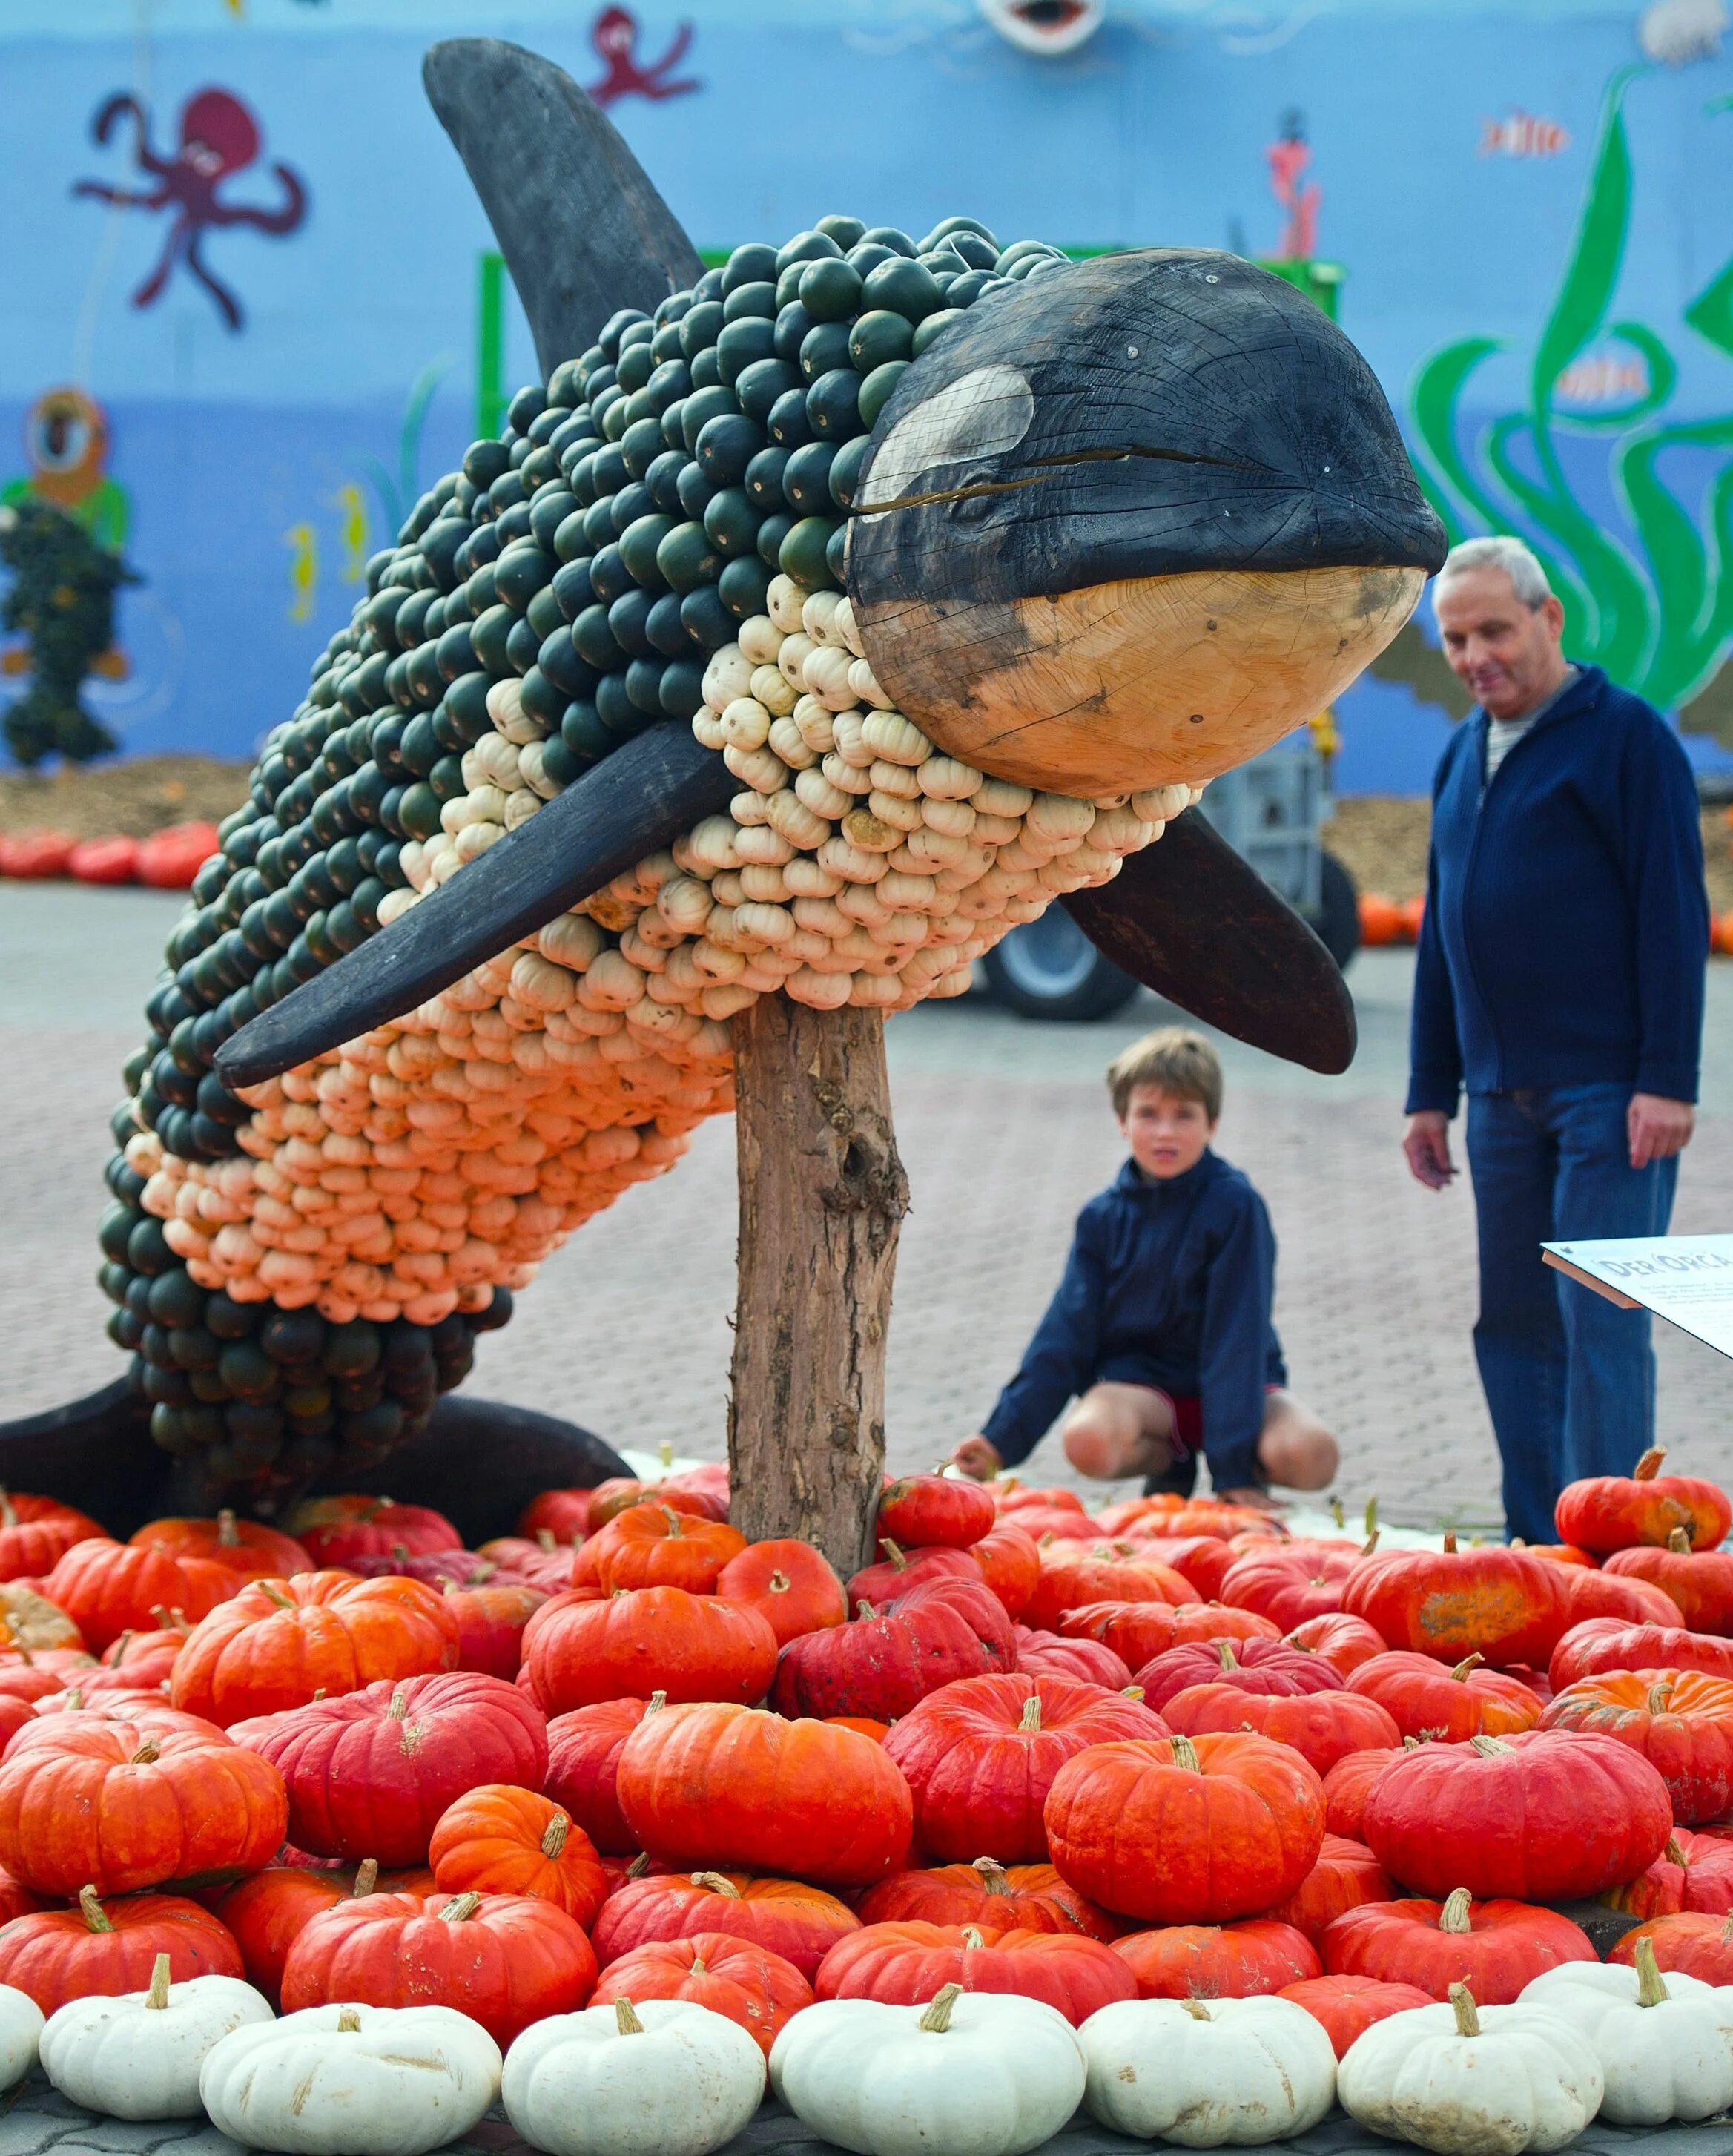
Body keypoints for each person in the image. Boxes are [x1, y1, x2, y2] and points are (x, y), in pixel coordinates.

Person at [1403, 535, 1709, 1543]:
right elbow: (1442, 929)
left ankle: (1616, 1556)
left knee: (1597, 1321)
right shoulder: (1459, 752)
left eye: (1492, 629)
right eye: (1453, 638)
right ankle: (1536, 1547)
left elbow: (1672, 914)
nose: (1473, 655)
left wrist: (1666, 1078)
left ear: (1548, 618)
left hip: (1606, 1095)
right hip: (1499, 1096)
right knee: (1516, 1323)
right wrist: (1428, 1090)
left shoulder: (1628, 739)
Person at [951, 1026, 1338, 1506]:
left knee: (1313, 1454)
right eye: (1148, 1114)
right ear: (1121, 1120)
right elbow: (1064, 1335)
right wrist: (999, 1439)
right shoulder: (1100, 1218)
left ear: (1212, 1123)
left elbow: (1236, 1336)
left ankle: (1237, 1465)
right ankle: (1169, 1460)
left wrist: (1232, 1471)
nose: (1164, 1132)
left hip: (1239, 1389)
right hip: (1146, 1396)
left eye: (1184, 1116)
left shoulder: (1236, 1206)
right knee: (1087, 1439)